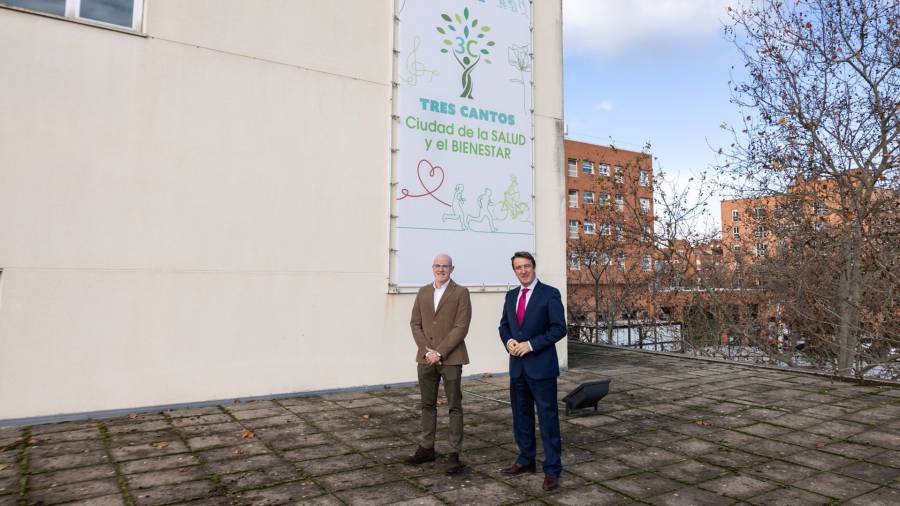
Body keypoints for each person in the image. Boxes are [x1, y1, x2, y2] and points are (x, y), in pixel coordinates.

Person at [498, 251, 566, 491]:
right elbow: (504, 326)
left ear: (534, 267)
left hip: (542, 368)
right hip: (517, 368)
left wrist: (531, 345)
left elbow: (559, 329)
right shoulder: (511, 296)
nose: (523, 271)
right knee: (521, 417)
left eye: (526, 266)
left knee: (548, 420)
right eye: (518, 267)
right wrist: (509, 342)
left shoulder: (550, 294)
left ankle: (552, 469)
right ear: (514, 270)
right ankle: (526, 460)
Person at [405, 253, 472, 474]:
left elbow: (461, 327)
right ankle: (426, 448)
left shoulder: (461, 292)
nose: (441, 269)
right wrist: (428, 352)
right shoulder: (423, 292)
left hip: (451, 358)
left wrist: (440, 352)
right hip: (425, 358)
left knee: (454, 406)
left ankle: (454, 453)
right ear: (432, 267)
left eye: (445, 266)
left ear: (452, 269)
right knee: (427, 404)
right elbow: (415, 324)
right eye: (437, 265)